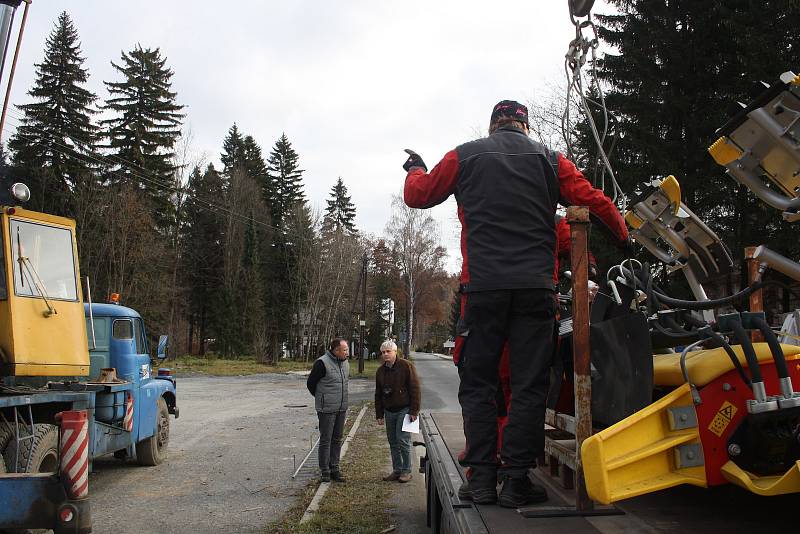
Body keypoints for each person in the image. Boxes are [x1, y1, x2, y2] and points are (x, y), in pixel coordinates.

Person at [403, 100, 628, 507]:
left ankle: (483, 479)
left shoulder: (464, 155)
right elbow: (591, 199)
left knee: (479, 385)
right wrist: (622, 231)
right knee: (527, 385)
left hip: (482, 290)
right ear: (524, 126)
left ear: (493, 127)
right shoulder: (548, 159)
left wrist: (415, 169)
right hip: (534, 291)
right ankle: (516, 480)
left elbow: (418, 196)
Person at [375, 339, 421, 483]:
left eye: (388, 351)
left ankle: (407, 471)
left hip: (405, 409)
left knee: (403, 440)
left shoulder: (406, 366)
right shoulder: (381, 371)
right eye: (383, 352)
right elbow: (378, 393)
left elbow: (415, 389)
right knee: (393, 441)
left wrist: (414, 411)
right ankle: (397, 470)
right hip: (389, 411)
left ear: (395, 352)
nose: (385, 354)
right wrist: (379, 414)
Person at [306, 338, 350, 483]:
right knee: (326, 439)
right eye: (345, 350)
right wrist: (322, 398)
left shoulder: (345, 363)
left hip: (341, 408)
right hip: (326, 409)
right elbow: (311, 384)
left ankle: (334, 468)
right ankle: (325, 470)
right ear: (336, 350)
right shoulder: (322, 363)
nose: (347, 353)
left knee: (337, 439)